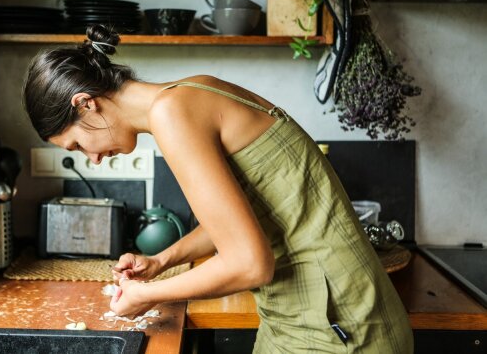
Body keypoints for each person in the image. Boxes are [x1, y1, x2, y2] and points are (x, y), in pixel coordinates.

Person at [23, 24, 413, 353]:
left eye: (75, 144)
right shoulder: (191, 91)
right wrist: (162, 261)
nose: (90, 159)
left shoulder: (171, 115)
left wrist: (148, 295)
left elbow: (250, 263)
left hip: (338, 326)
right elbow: (237, 216)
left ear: (85, 103)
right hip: (311, 314)